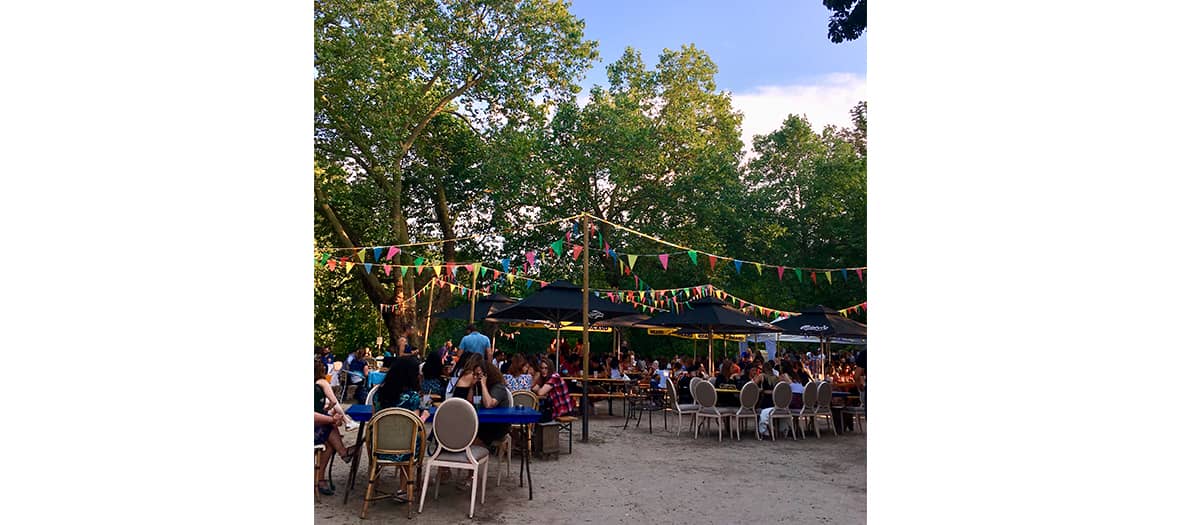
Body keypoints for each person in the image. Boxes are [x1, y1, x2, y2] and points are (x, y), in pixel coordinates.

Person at [374, 356, 430, 502]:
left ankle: (374, 483)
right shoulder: (412, 397)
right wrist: (424, 416)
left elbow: (374, 419)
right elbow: (416, 424)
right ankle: (403, 488)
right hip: (405, 449)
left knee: (404, 438)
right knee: (413, 438)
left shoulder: (378, 394)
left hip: (379, 447)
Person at [315, 360, 355, 496]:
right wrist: (332, 419)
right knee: (329, 424)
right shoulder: (320, 384)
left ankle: (319, 479)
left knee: (329, 444)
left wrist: (328, 412)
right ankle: (344, 453)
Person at [473, 359, 512, 447]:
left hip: (497, 424)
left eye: (478, 374)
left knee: (473, 437)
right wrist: (472, 385)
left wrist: (483, 384)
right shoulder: (478, 387)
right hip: (483, 421)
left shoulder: (498, 387)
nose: (476, 377)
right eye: (474, 374)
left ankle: (473, 455)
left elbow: (489, 404)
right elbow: (469, 401)